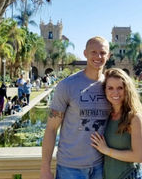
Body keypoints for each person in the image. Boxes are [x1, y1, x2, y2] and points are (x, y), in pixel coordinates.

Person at [40, 36, 111, 179]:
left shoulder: (111, 87)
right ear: (85, 53)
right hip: (70, 168)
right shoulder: (67, 85)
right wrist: (45, 168)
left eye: (103, 53)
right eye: (93, 52)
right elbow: (51, 129)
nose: (98, 56)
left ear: (108, 56)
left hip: (101, 167)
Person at [91, 68, 142, 179]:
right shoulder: (107, 115)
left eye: (120, 88)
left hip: (130, 176)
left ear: (127, 89)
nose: (115, 93)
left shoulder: (134, 117)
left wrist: (106, 150)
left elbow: (139, 156)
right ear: (105, 90)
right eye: (110, 88)